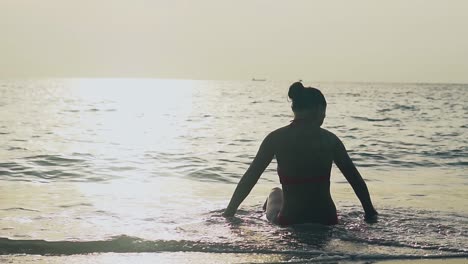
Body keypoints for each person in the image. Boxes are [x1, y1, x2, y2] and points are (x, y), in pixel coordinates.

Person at [223, 82, 378, 226]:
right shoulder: (331, 140)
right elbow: (355, 179)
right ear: (319, 109)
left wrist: (229, 212)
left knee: (275, 192)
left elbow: (251, 177)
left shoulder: (276, 138)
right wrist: (370, 213)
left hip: (291, 219)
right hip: (327, 219)